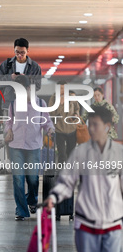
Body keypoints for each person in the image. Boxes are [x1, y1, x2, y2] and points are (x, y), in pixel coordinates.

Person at [45, 106, 123, 252]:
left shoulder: (119, 154)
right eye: (90, 125)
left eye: (95, 125)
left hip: (113, 224)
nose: (91, 129)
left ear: (107, 127)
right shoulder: (80, 153)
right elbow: (66, 182)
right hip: (85, 223)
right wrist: (54, 197)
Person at [4, 75, 54, 221]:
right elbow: (9, 121)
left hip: (33, 145)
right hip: (16, 145)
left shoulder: (40, 103)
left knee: (32, 179)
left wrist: (50, 129)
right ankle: (21, 210)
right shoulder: (13, 104)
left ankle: (32, 200)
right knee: (18, 179)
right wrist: (9, 130)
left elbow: (47, 121)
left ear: (28, 88)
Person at [0, 38, 42, 112]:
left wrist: (27, 79)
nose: (19, 55)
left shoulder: (34, 66)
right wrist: (10, 77)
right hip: (9, 103)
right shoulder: (6, 65)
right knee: (9, 123)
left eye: (22, 52)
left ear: (27, 51)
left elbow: (38, 86)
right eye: (17, 52)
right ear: (14, 50)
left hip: (27, 103)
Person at [48, 81, 79, 164]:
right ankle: (61, 172)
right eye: (61, 88)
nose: (63, 90)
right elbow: (51, 113)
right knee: (62, 154)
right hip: (59, 129)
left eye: (65, 88)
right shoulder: (54, 98)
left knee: (71, 153)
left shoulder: (72, 97)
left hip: (71, 129)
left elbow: (77, 108)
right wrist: (61, 103)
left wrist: (76, 115)